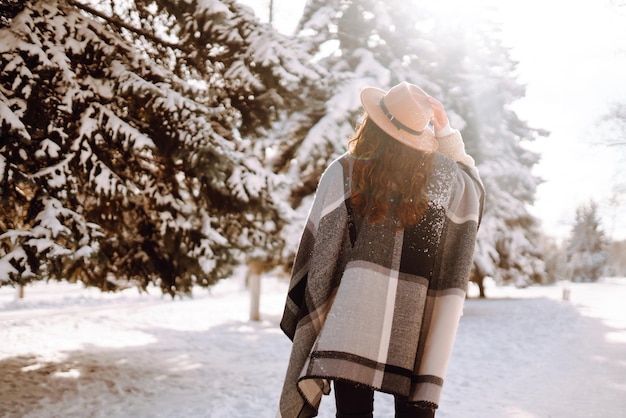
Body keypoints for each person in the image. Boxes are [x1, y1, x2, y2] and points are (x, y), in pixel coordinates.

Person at [277, 82, 485, 418]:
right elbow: (474, 194)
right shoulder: (444, 178)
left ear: (372, 123)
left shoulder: (343, 172)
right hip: (413, 320)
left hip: (352, 321)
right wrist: (446, 132)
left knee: (353, 416)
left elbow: (319, 254)